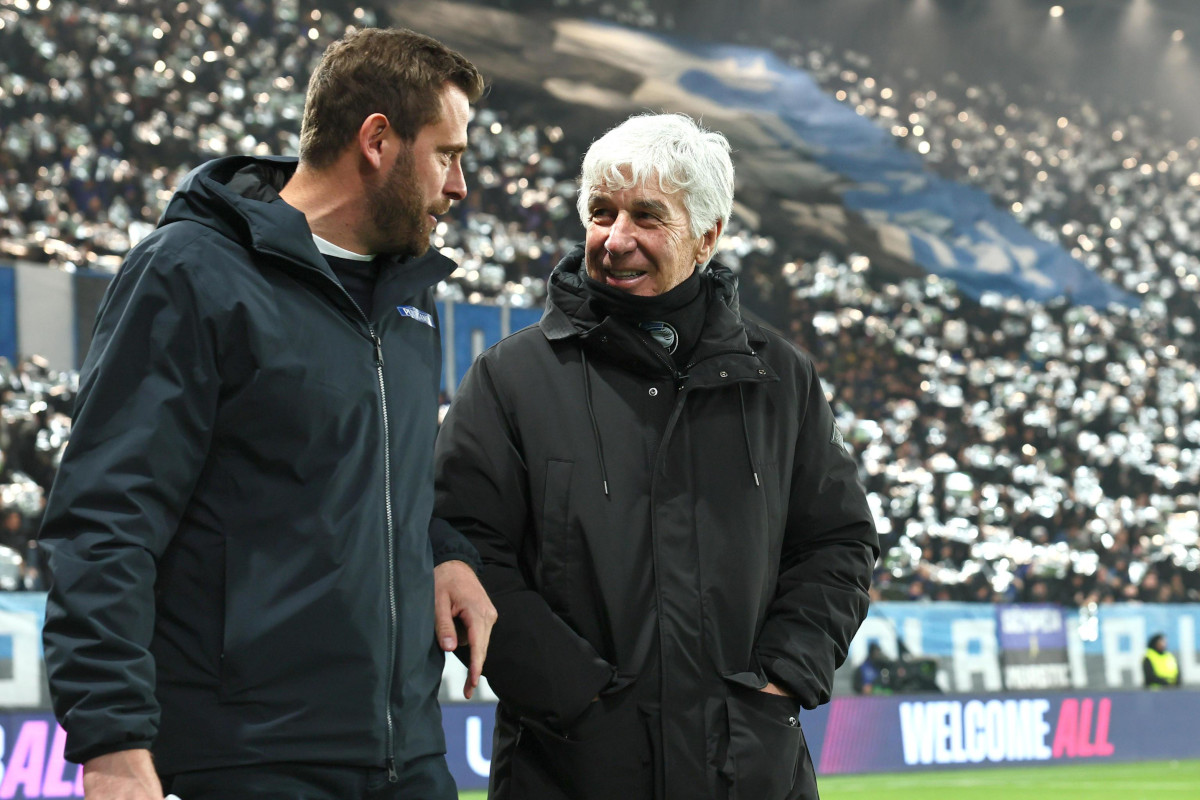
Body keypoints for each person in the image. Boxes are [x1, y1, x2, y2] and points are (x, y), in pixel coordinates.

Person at [38, 27, 496, 800]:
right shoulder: (190, 272)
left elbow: (381, 479)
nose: (458, 188)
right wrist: (112, 739)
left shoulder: (413, 300)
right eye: (447, 156)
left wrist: (444, 551)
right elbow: (106, 517)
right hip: (250, 757)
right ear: (377, 140)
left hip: (407, 753)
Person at [434, 113, 879, 800]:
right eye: (601, 212)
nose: (616, 240)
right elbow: (462, 546)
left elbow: (838, 541)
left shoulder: (782, 379)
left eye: (647, 217)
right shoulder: (510, 379)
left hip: (748, 769)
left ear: (709, 235)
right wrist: (578, 699)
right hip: (570, 771)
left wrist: (783, 672)